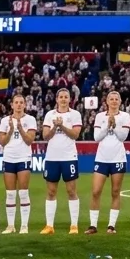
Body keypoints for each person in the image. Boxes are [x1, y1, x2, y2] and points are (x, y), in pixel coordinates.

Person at [40, 88, 83, 235]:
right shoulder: (49, 115)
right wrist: (55, 127)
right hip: (52, 158)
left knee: (71, 191)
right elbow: (45, 135)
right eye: (61, 97)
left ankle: (74, 225)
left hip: (69, 157)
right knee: (51, 191)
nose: (63, 99)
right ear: (57, 99)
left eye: (66, 97)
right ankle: (49, 226)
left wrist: (61, 125)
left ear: (69, 99)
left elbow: (75, 135)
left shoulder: (75, 114)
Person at [88, 91, 130, 234]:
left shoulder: (125, 116)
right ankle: (93, 225)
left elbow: (123, 137)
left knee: (115, 191)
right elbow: (96, 138)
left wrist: (115, 125)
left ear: (120, 101)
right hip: (102, 158)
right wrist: (107, 125)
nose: (113, 101)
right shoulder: (100, 117)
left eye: (116, 99)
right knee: (95, 191)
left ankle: (111, 226)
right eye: (111, 99)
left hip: (118, 158)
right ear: (106, 101)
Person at [0, 93, 36, 234]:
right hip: (9, 158)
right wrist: (11, 131)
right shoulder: (5, 121)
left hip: (23, 158)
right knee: (10, 194)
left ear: (25, 105)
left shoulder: (30, 120)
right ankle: (10, 225)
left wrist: (20, 128)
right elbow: (2, 142)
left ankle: (24, 225)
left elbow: (29, 141)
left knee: (24, 193)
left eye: (21, 102)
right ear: (12, 105)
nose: (19, 105)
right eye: (16, 102)